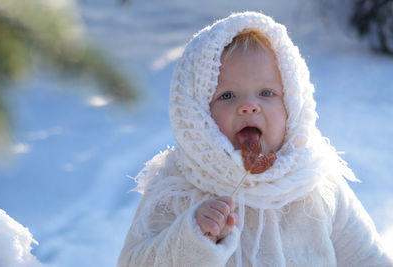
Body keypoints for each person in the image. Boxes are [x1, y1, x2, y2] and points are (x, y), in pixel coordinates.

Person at [117, 11, 392, 266]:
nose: (249, 106)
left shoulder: (317, 183)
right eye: (227, 96)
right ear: (196, 113)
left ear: (293, 104)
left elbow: (366, 258)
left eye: (266, 93)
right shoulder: (177, 188)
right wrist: (192, 239)